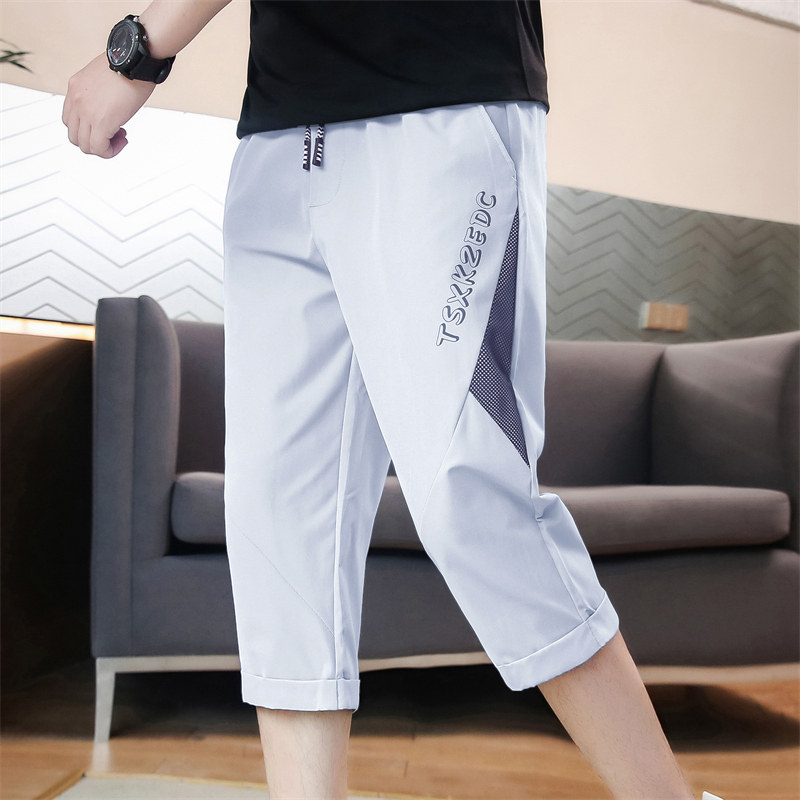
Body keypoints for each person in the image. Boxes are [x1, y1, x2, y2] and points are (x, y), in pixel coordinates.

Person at [63, 3, 724, 799]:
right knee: (278, 519)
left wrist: (136, 52)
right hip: (283, 131)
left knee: (467, 495)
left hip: (440, 104)